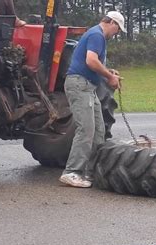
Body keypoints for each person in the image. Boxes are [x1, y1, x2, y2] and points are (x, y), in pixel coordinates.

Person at [60, 11, 126, 188]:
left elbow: (93, 63)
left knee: (99, 130)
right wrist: (109, 77)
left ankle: (91, 171)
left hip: (88, 87)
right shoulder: (97, 34)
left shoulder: (96, 36)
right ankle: (72, 172)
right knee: (86, 130)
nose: (117, 33)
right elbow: (91, 61)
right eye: (117, 28)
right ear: (111, 22)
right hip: (80, 85)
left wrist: (109, 72)